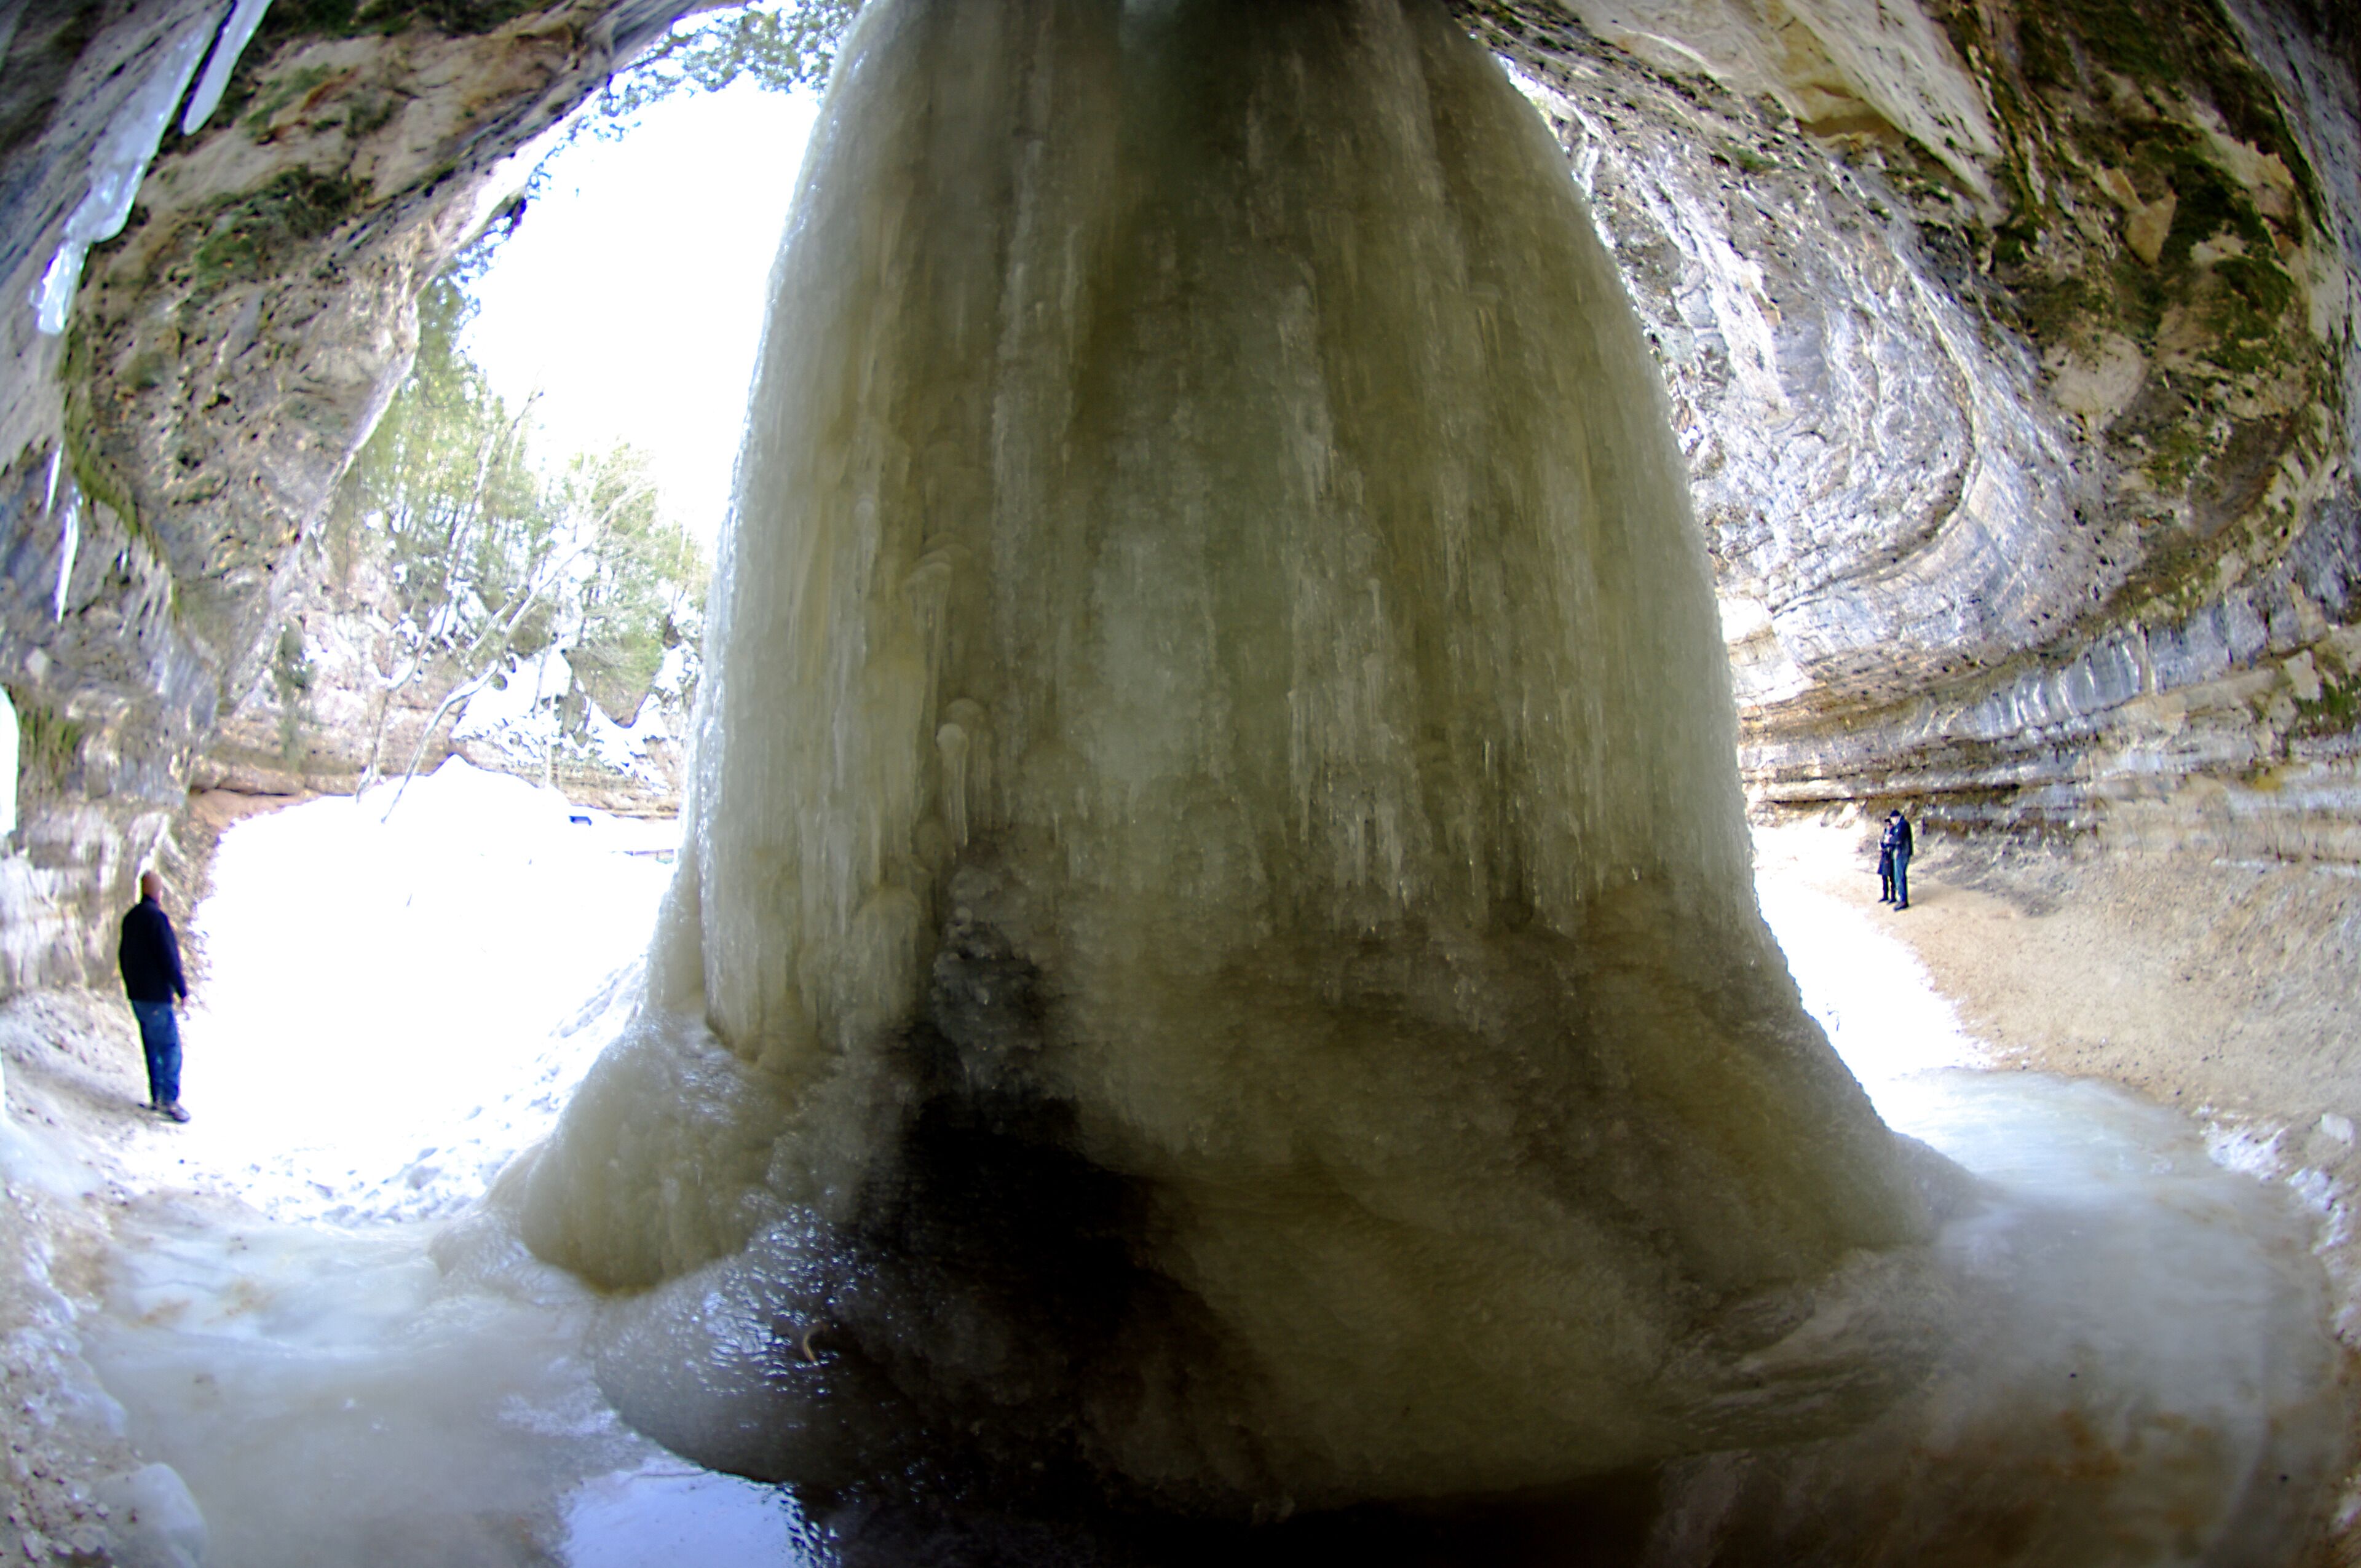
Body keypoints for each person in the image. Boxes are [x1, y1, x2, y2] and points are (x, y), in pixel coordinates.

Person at [119, 869, 190, 1122]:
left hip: (137, 995)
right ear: (157, 892)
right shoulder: (156, 919)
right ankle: (169, 1101)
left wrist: (131, 986)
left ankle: (156, 1097)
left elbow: (123, 956)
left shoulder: (131, 918)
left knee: (152, 1047)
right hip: (156, 997)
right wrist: (181, 988)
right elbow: (168, 958)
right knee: (170, 1049)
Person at [1880, 809, 1914, 912]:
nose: (1892, 822)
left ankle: (1903, 901)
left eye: (1892, 819)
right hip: (1900, 853)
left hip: (1902, 853)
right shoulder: (1900, 825)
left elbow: (1897, 838)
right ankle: (1901, 898)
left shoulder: (1903, 824)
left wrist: (1889, 840)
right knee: (1898, 876)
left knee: (1899, 877)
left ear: (1896, 818)